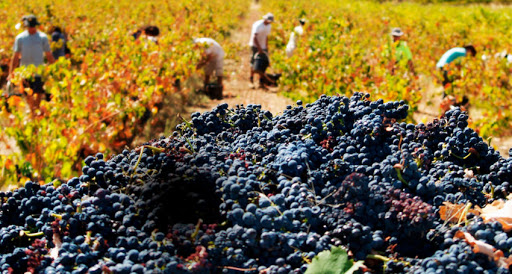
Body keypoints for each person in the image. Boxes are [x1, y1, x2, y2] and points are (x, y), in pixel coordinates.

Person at [9, 14, 55, 114]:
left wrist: (55, 68)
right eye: (30, 26)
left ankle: (36, 112)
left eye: (33, 26)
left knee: (38, 93)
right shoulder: (20, 38)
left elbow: (49, 54)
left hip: (39, 71)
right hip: (24, 72)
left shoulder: (42, 37)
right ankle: (32, 112)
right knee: (28, 94)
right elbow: (16, 56)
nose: (31, 28)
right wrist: (11, 72)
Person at [249, 13, 274, 89]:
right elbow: (254, 37)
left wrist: (266, 47)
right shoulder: (258, 25)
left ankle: (261, 81)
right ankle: (251, 79)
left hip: (262, 46)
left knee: (262, 63)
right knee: (254, 62)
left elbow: (266, 37)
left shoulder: (269, 26)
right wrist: (259, 48)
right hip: (255, 46)